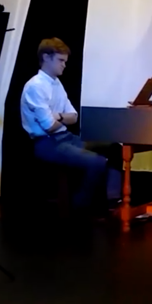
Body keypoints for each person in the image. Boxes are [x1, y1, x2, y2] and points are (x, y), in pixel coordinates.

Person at [20, 38, 112, 216]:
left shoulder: (56, 83)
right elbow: (49, 126)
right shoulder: (35, 87)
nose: (64, 65)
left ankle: (114, 202)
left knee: (113, 148)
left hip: (65, 137)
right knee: (97, 162)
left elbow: (74, 116)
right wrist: (61, 118)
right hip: (47, 143)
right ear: (46, 57)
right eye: (60, 60)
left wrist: (58, 116)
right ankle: (79, 209)